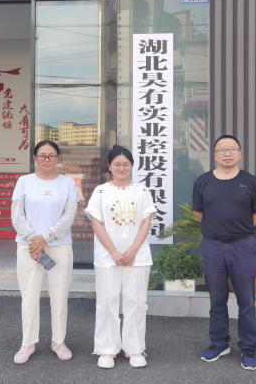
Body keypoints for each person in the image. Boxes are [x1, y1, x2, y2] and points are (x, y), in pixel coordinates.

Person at [192, 134, 256, 371]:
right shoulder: (203, 182)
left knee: (247, 300)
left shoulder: (251, 182)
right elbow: (198, 213)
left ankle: (249, 348)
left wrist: (237, 231)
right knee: (217, 298)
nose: (227, 153)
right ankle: (219, 343)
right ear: (215, 155)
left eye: (232, 149)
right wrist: (219, 231)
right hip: (212, 246)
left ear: (240, 153)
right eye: (222, 149)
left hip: (243, 246)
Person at [85, 145, 157, 369]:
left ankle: (134, 349)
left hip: (137, 257)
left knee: (136, 302)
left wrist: (133, 250)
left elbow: (146, 222)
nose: (121, 168)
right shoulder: (100, 191)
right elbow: (96, 223)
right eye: (117, 164)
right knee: (107, 302)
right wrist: (114, 252)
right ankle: (107, 350)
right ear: (109, 166)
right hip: (108, 257)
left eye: (126, 164)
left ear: (132, 166)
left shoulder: (142, 191)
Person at [11, 140, 78, 365]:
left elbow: (69, 215)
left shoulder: (67, 183)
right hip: (29, 248)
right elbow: (17, 214)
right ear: (35, 158)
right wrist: (34, 239)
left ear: (58, 158)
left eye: (51, 155)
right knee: (29, 296)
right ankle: (27, 343)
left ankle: (59, 341)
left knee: (60, 295)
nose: (47, 159)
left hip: (59, 245)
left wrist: (45, 237)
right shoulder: (24, 181)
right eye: (42, 155)